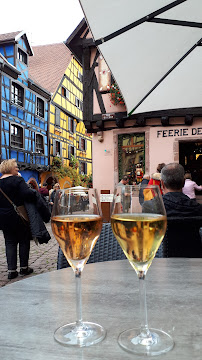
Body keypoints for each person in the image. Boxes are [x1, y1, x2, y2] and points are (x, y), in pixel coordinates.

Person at [0, 159, 35, 279]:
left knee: (9, 242)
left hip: (3, 217)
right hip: (19, 215)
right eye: (16, 167)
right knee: (24, 240)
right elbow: (28, 194)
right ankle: (24, 268)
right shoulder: (18, 180)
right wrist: (24, 182)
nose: (18, 169)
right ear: (10, 168)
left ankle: (11, 271)